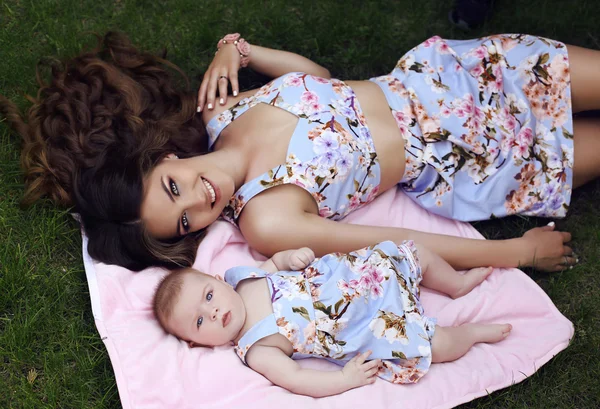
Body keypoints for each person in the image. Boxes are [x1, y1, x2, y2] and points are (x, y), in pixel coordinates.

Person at [3, 31, 600, 271]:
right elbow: (399, 245)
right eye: (185, 222)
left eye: (174, 189)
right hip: (478, 154)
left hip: (454, 75)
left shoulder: (220, 110)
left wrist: (239, 50)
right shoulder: (267, 220)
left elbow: (325, 85)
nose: (200, 202)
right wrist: (516, 253)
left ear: (164, 161)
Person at [153, 240, 511, 397]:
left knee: (412, 252)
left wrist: (290, 257)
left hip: (360, 279)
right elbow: (296, 379)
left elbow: (276, 264)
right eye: (200, 322)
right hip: (363, 328)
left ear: (217, 280)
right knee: (436, 345)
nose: (213, 311)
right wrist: (345, 379)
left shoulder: (242, 277)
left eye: (209, 296)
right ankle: (473, 333)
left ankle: (457, 284)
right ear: (195, 343)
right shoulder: (256, 348)